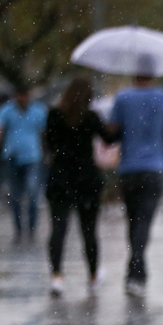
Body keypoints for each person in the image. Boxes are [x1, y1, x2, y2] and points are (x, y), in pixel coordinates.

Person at [107, 55, 163, 297]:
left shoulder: (123, 98)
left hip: (128, 168)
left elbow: (113, 132)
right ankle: (137, 269)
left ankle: (135, 267)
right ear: (154, 75)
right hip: (154, 168)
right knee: (145, 220)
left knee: (132, 219)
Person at [44, 77, 117, 295]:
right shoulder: (91, 117)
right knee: (89, 231)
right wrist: (118, 126)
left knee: (58, 229)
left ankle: (57, 276)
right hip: (87, 179)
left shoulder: (54, 116)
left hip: (60, 178)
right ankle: (93, 274)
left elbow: (49, 144)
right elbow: (109, 139)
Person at [0, 85, 48, 241]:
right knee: (15, 196)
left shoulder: (39, 111)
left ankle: (32, 227)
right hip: (12, 157)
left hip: (33, 158)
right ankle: (18, 228)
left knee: (33, 193)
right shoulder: (6, 111)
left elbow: (44, 133)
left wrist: (48, 152)